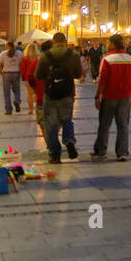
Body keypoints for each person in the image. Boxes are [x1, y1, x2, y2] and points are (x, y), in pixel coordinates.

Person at [35, 32, 83, 164]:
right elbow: (78, 74)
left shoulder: (45, 56)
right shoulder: (73, 55)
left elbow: (38, 75)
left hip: (50, 95)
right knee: (67, 120)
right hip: (67, 93)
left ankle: (55, 155)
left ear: (53, 41)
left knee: (50, 125)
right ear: (65, 41)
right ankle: (69, 140)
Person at [91, 33, 131, 161]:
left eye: (108, 43)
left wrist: (97, 96)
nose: (106, 45)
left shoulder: (107, 59)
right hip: (126, 96)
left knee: (105, 124)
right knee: (123, 124)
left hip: (110, 96)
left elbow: (103, 80)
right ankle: (122, 152)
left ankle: (102, 151)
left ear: (112, 44)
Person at [0, 40, 23, 115]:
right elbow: (22, 64)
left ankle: (8, 110)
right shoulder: (19, 53)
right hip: (16, 73)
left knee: (7, 92)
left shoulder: (3, 53)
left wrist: (1, 73)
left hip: (6, 73)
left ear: (8, 46)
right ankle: (17, 100)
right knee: (17, 90)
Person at [19, 42, 40, 114]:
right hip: (38, 78)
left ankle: (31, 110)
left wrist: (23, 78)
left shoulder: (25, 58)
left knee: (29, 94)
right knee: (38, 94)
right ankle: (38, 108)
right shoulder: (38, 58)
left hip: (28, 78)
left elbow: (22, 69)